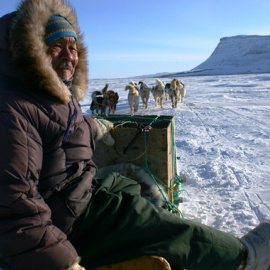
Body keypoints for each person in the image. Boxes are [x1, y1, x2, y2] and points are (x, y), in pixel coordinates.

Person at [0, 1, 269, 270]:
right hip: (69, 222)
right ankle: (244, 257)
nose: (68, 56)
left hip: (77, 192)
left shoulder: (50, 93)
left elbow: (66, 128)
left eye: (73, 48)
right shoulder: (12, 109)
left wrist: (99, 127)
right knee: (144, 217)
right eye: (57, 45)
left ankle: (149, 228)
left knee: (125, 179)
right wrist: (63, 263)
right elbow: (13, 210)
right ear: (31, 48)